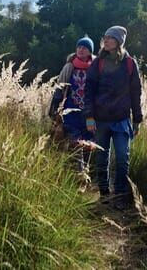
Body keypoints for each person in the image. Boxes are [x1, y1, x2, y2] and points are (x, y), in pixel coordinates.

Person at [83, 25, 143, 210]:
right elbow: (89, 91)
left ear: (119, 42)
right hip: (100, 120)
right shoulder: (97, 63)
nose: (106, 40)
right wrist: (89, 117)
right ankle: (104, 194)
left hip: (122, 119)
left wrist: (137, 119)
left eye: (110, 38)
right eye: (105, 37)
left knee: (123, 158)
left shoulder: (130, 63)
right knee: (101, 157)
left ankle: (119, 195)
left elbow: (136, 92)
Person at [49, 36, 96, 183]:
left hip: (89, 113)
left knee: (88, 142)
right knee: (75, 141)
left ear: (90, 52)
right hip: (71, 111)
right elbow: (59, 88)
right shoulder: (69, 66)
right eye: (79, 47)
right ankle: (80, 174)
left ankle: (85, 171)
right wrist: (54, 107)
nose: (81, 50)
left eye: (85, 48)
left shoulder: (96, 67)